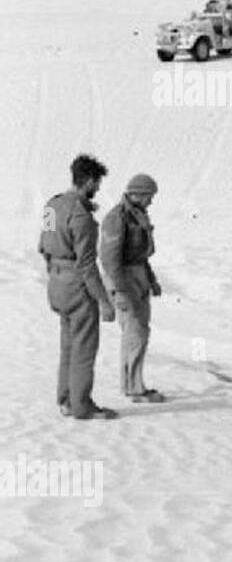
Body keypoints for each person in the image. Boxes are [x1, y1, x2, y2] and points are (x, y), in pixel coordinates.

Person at [38, 154, 116, 420]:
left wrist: (55, 273)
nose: (98, 189)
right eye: (97, 184)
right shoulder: (81, 216)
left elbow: (43, 245)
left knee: (68, 345)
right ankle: (81, 405)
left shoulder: (51, 205)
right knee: (83, 348)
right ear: (90, 180)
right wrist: (104, 301)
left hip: (56, 283)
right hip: (76, 286)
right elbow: (87, 265)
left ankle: (65, 399)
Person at [101, 173, 164, 402]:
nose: (151, 201)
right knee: (134, 333)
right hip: (124, 279)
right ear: (137, 194)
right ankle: (133, 388)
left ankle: (133, 384)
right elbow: (109, 260)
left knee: (139, 332)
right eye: (149, 196)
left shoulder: (137, 215)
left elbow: (140, 256)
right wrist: (120, 292)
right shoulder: (117, 218)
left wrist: (151, 280)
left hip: (137, 277)